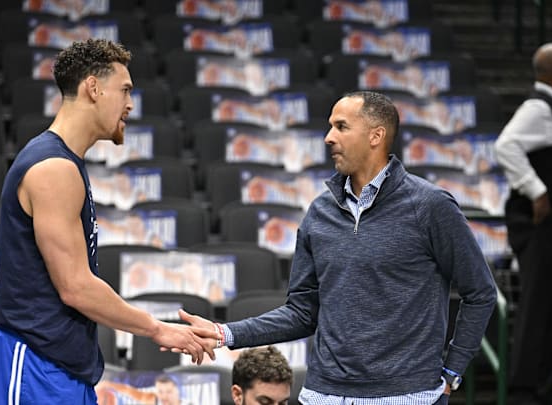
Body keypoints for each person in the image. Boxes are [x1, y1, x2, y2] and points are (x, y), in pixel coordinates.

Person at [182, 90, 497, 404]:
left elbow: (480, 291)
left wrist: (453, 371)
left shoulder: (431, 206)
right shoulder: (320, 211)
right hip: (324, 395)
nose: (328, 137)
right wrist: (227, 333)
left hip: (408, 396)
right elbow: (302, 312)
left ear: (376, 135)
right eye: (330, 126)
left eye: (341, 127)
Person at [0, 39, 218, 404]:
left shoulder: (65, 163)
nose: (130, 104)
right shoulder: (53, 167)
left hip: (61, 366)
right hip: (33, 364)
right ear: (93, 87)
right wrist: (157, 329)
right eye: (124, 90)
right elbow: (75, 287)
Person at [494, 42, 552, 405]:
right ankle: (525, 391)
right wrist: (537, 191)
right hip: (541, 226)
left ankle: (543, 386)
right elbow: (506, 145)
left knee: (551, 308)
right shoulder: (539, 107)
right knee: (537, 306)